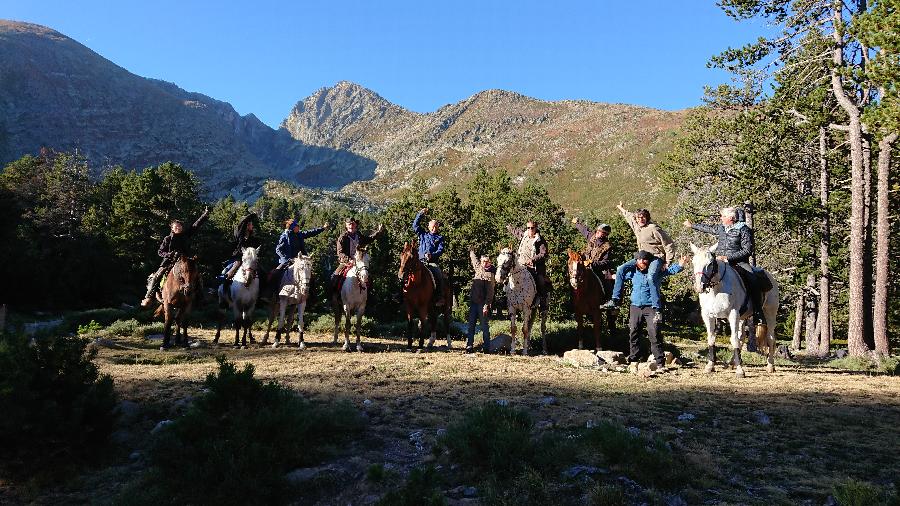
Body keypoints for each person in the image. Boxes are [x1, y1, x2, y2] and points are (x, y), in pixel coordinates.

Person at [683, 206, 765, 322]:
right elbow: (709, 228)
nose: (721, 218)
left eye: (723, 216)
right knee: (705, 276)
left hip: (739, 263)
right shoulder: (722, 228)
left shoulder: (743, 229)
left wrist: (728, 257)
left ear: (731, 218)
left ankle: (758, 313)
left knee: (753, 278)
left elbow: (747, 250)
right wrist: (692, 225)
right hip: (720, 262)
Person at [617, 251, 687, 368]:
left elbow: (670, 271)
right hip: (635, 306)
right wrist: (611, 276)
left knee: (653, 332)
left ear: (648, 262)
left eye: (643, 260)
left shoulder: (655, 273)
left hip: (651, 307)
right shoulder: (633, 272)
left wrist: (680, 265)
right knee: (633, 332)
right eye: (638, 260)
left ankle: (660, 361)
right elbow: (621, 276)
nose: (640, 262)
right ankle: (634, 359)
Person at [603, 203, 675, 309]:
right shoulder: (637, 226)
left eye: (643, 217)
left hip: (655, 257)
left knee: (651, 277)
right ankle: (615, 299)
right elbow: (630, 217)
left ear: (647, 217)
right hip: (641, 257)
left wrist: (668, 261)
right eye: (639, 218)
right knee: (620, 269)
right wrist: (621, 209)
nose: (641, 219)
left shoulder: (654, 229)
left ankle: (656, 306)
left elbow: (669, 244)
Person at [141, 206, 210, 307]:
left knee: (197, 276)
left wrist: (204, 216)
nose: (178, 228)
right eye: (176, 227)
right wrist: (169, 254)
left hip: (185, 261)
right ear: (172, 228)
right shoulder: (167, 239)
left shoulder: (186, 235)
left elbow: (195, 226)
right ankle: (149, 297)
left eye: (179, 226)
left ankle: (200, 297)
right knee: (157, 276)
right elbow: (160, 251)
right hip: (169, 262)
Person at [572, 218, 616, 329]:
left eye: (604, 233)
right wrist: (577, 223)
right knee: (574, 275)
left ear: (606, 235)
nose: (600, 234)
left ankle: (608, 301)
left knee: (606, 280)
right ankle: (573, 301)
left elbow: (606, 262)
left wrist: (593, 263)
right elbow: (584, 230)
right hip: (585, 266)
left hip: (599, 269)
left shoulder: (608, 246)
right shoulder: (591, 236)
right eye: (600, 231)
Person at [507, 221, 550, 321]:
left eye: (532, 228)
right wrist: (509, 227)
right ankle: (509, 299)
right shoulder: (524, 236)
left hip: (534, 267)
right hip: (521, 265)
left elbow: (543, 253)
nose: (530, 230)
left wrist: (532, 259)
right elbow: (516, 232)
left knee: (541, 281)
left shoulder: (540, 241)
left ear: (536, 228)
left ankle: (542, 304)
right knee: (507, 278)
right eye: (528, 227)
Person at [332, 217, 383, 296]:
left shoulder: (358, 235)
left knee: (368, 277)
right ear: (346, 225)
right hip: (346, 262)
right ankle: (334, 297)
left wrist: (378, 232)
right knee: (335, 277)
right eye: (349, 224)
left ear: (355, 225)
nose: (351, 226)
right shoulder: (342, 238)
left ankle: (369, 298)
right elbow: (340, 252)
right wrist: (349, 259)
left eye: (353, 224)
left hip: (359, 261)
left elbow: (368, 239)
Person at [413, 208, 447, 305]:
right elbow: (415, 225)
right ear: (428, 227)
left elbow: (440, 250)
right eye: (432, 226)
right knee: (406, 272)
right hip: (420, 261)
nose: (434, 228)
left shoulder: (440, 238)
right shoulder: (423, 234)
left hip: (432, 262)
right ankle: (400, 294)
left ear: (438, 227)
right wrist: (420, 214)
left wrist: (432, 255)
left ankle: (440, 298)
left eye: (436, 226)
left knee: (439, 274)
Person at [466, 248, 496, 354]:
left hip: (483, 304)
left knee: (484, 326)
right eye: (483, 261)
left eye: (486, 261)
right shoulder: (478, 268)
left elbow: (490, 292)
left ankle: (486, 347)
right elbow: (474, 259)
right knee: (471, 325)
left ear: (489, 262)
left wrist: (486, 305)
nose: (484, 263)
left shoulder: (491, 274)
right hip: (474, 302)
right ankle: (469, 345)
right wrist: (471, 251)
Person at [221, 213, 261, 290]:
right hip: (238, 258)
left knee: (262, 272)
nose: (252, 226)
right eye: (250, 224)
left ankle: (262, 295)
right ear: (246, 226)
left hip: (250, 260)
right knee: (225, 272)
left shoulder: (253, 239)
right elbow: (242, 224)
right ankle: (222, 290)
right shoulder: (239, 236)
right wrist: (250, 216)